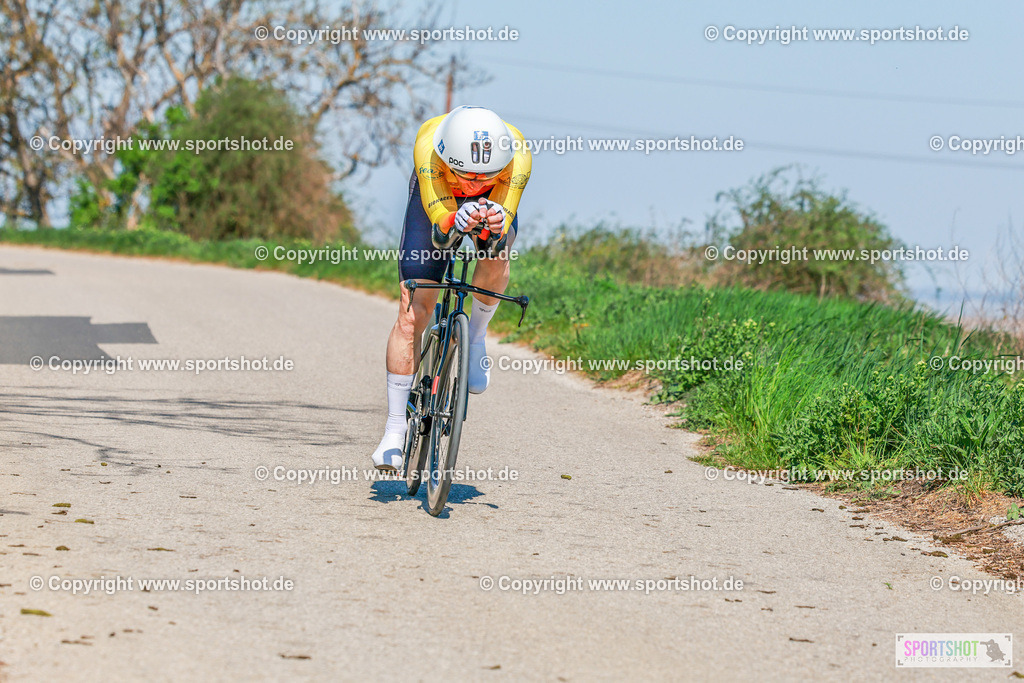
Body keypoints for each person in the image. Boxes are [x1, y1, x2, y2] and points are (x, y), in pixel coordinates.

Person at [371, 105, 532, 471]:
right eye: (466, 175)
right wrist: (451, 218)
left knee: (497, 256)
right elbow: (441, 231)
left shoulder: (517, 154)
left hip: (497, 198)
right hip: (437, 197)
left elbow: (498, 230)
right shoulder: (430, 145)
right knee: (413, 312)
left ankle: (475, 335)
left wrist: (492, 224)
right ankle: (394, 430)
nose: (474, 184)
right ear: (447, 159)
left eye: (485, 176)